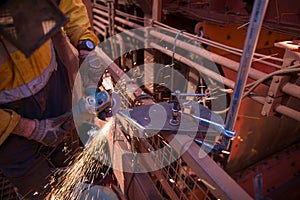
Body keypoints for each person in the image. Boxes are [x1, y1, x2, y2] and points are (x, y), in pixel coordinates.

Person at [0, 0, 99, 199]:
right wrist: (29, 128)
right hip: (6, 121)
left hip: (53, 83)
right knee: (37, 189)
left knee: (67, 161)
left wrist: (84, 40)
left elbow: (67, 2)